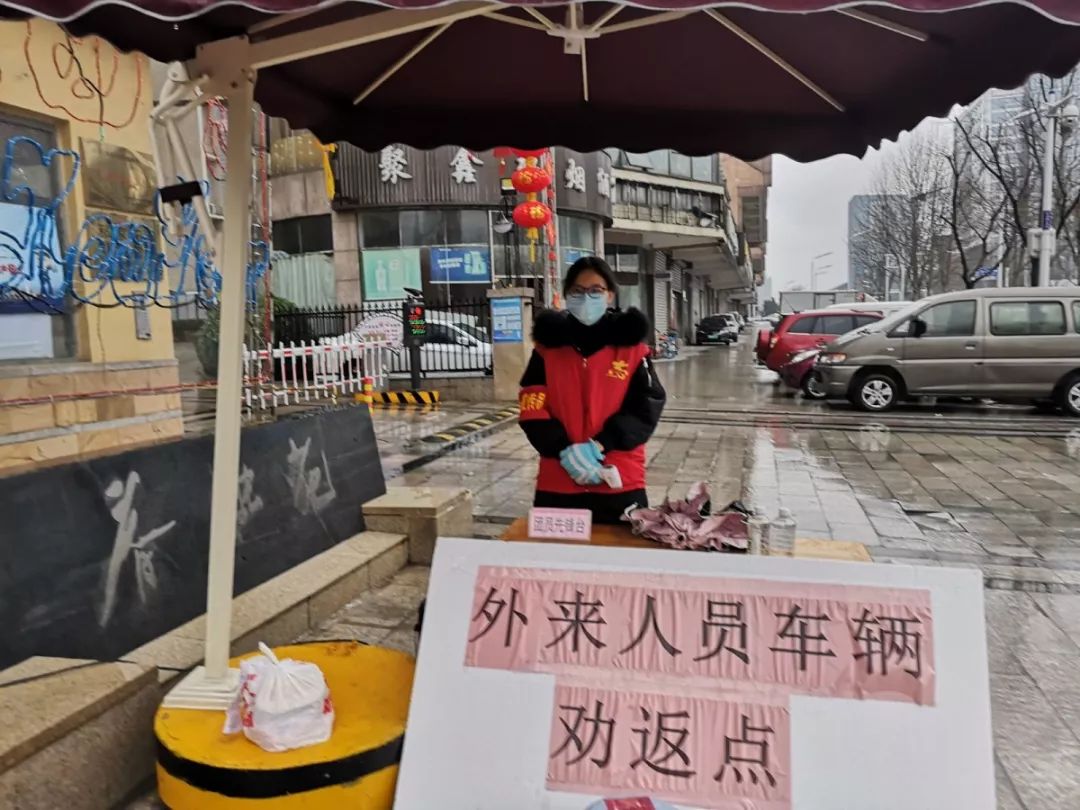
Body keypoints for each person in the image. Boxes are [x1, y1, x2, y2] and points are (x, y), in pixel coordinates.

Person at [519, 256, 666, 524]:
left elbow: (647, 405)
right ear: (567, 295)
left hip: (619, 480)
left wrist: (599, 445)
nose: (586, 297)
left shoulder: (632, 349)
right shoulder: (547, 350)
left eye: (596, 290)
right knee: (556, 551)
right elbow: (532, 405)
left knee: (618, 549)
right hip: (558, 480)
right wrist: (564, 450)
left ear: (610, 295)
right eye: (578, 291)